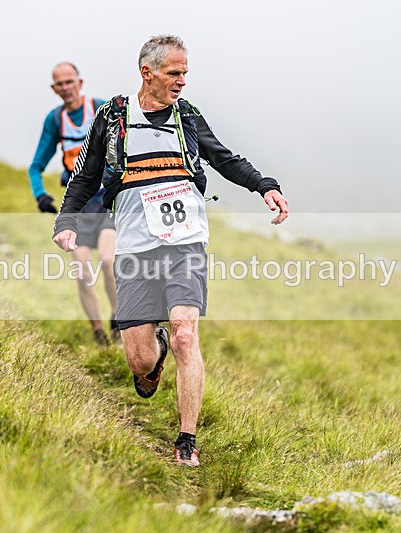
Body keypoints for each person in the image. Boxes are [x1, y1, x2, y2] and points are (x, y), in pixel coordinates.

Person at [52, 36, 289, 467]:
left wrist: (264, 185)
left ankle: (186, 439)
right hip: (134, 245)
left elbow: (224, 158)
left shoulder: (188, 116)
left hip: (186, 242)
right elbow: (85, 178)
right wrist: (66, 223)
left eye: (185, 73)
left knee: (186, 333)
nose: (182, 81)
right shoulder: (112, 116)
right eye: (174, 73)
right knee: (140, 361)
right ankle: (153, 351)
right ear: (148, 72)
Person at [29, 62, 119, 345]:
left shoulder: (102, 109)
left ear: (80, 82)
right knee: (82, 270)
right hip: (78, 206)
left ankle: (118, 321)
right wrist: (40, 195)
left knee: (108, 260)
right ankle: (99, 334)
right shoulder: (55, 121)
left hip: (106, 202)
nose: (66, 88)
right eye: (60, 84)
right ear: (54, 89)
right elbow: (36, 166)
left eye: (70, 82)